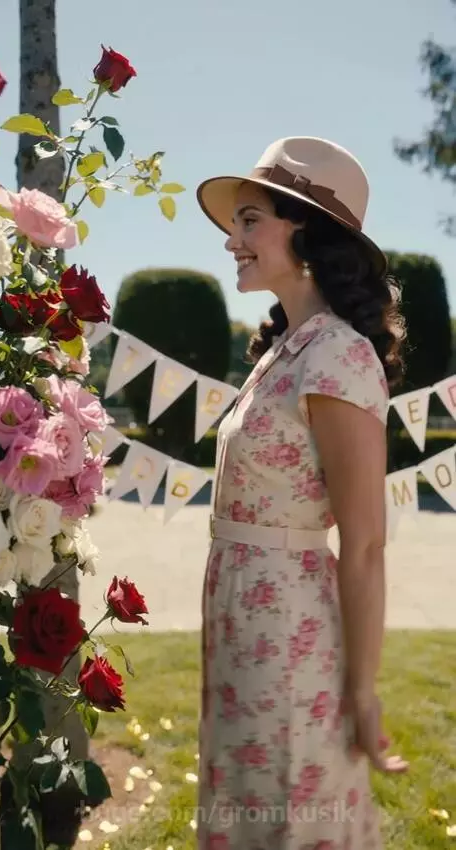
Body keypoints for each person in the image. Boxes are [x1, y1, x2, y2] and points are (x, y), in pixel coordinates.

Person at [195, 137, 409, 849]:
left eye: (250, 220)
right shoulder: (285, 348)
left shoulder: (338, 355)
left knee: (289, 814)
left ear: (306, 233)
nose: (233, 240)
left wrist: (362, 692)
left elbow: (366, 543)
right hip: (242, 621)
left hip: (288, 634)